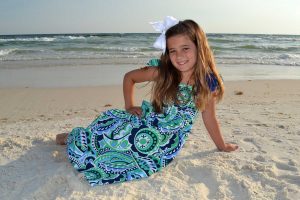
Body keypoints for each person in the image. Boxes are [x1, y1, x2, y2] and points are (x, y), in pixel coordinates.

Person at [56, 17, 238, 186]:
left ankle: (77, 137)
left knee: (135, 155)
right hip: (146, 124)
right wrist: (129, 105)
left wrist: (222, 146)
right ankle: (72, 136)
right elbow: (129, 77)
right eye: (172, 50)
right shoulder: (164, 72)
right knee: (111, 139)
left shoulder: (208, 81)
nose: (179, 56)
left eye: (185, 48)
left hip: (166, 142)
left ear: (199, 47)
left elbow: (210, 117)